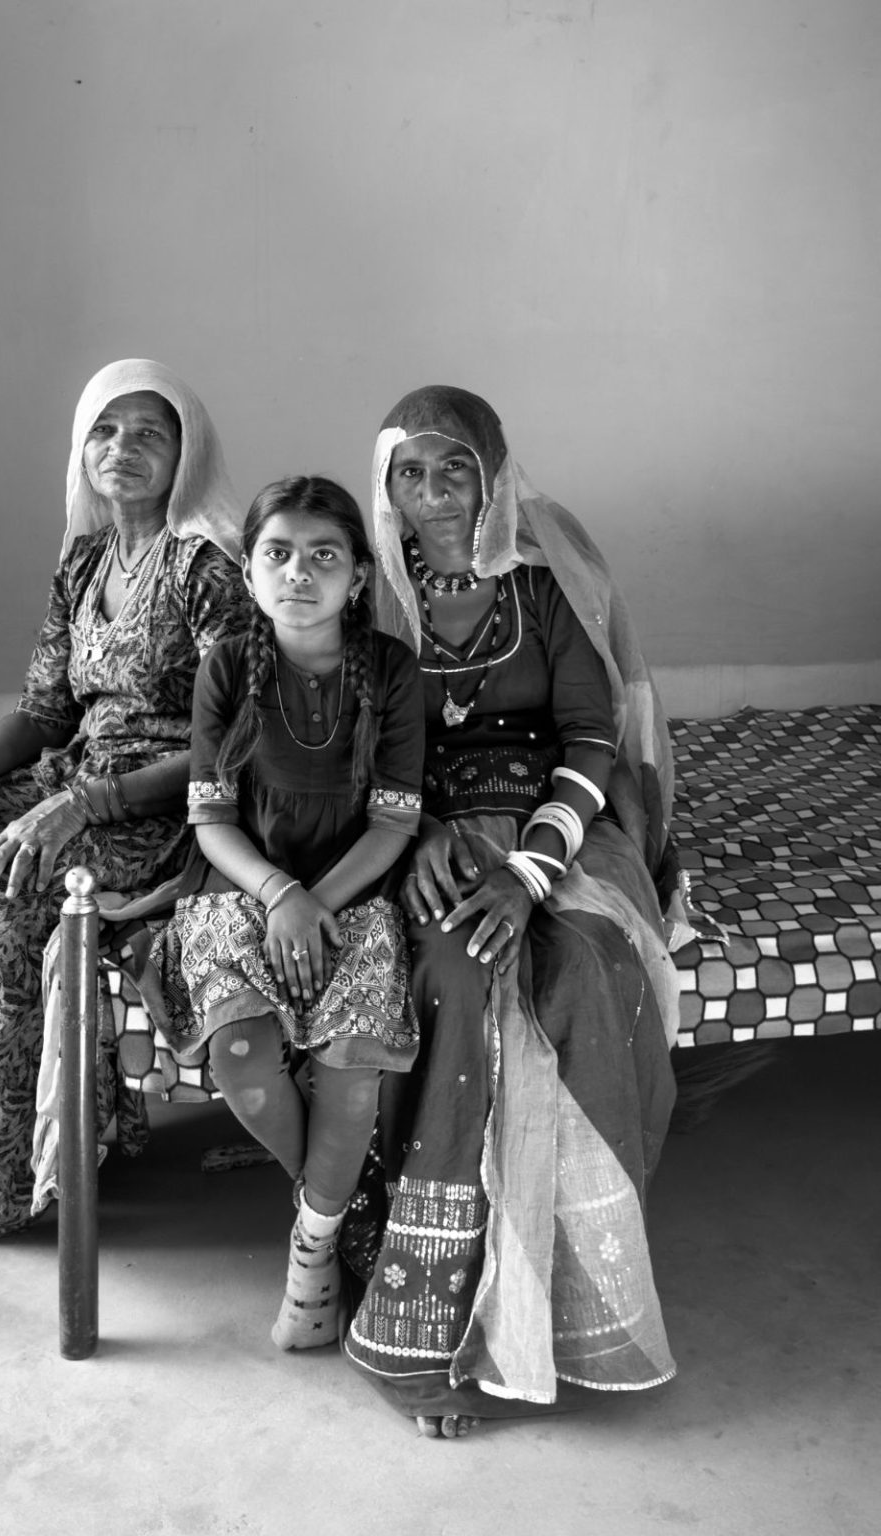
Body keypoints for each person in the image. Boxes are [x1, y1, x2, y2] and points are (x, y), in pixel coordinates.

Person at [341, 385, 684, 1438]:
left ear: (494, 476)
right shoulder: (372, 591)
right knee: (456, 977)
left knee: (586, 970)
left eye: (456, 469)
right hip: (426, 829)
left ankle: (565, 1310)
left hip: (556, 827)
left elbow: (590, 738)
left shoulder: (544, 581)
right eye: (411, 473)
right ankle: (418, 1328)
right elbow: (357, 741)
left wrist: (530, 872)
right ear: (386, 488)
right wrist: (420, 832)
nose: (434, 493)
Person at [0, 359, 248, 1245]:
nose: (124, 449)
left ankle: (18, 1174)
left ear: (186, 454)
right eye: (105, 432)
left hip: (166, 809)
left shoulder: (207, 570)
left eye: (149, 433)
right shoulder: (83, 561)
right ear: (81, 450)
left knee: (10, 886)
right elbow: (46, 710)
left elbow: (228, 742)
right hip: (74, 779)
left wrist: (86, 806)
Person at [149, 476, 426, 1349]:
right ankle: (344, 1210)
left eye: (323, 556)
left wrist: (316, 905)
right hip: (240, 887)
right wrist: (278, 897)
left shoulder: (390, 669)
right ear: (248, 566)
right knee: (240, 1047)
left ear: (358, 575)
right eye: (277, 553)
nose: (298, 574)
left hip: (355, 892)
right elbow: (211, 817)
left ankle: (311, 1255)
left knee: (351, 1069)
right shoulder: (229, 663)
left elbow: (393, 821)